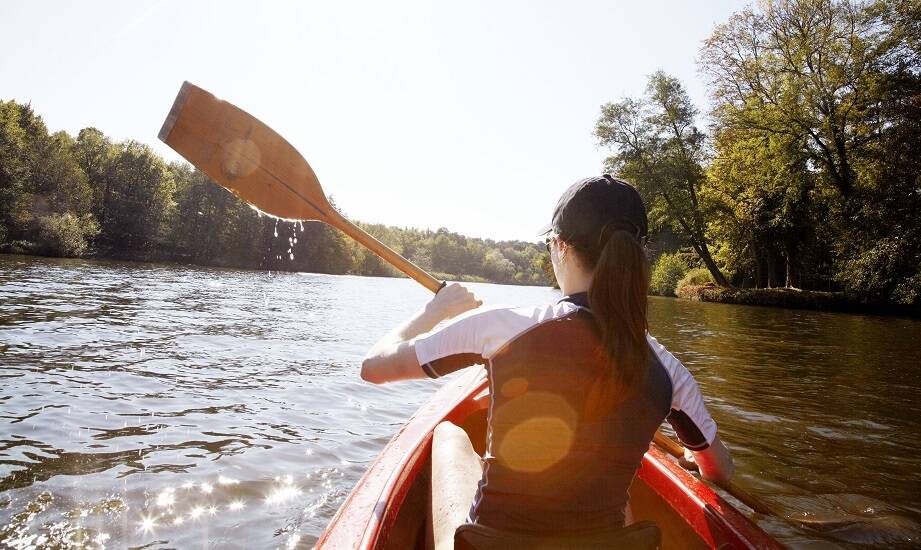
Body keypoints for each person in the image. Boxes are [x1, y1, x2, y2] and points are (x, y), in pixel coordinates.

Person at [361, 175, 734, 549]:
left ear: (559, 246)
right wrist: (691, 453)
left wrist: (435, 311)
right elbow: (718, 470)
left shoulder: (503, 326)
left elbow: (374, 367)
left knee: (449, 434)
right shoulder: (669, 370)